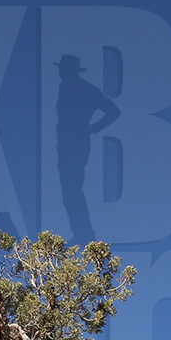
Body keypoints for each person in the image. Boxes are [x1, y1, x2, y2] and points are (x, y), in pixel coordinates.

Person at [53, 54, 120, 245]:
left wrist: (92, 128)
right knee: (68, 189)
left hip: (76, 141)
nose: (60, 71)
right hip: (65, 140)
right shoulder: (64, 87)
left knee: (72, 187)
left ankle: (84, 232)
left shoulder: (84, 88)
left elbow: (114, 111)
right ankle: (81, 231)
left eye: (63, 68)